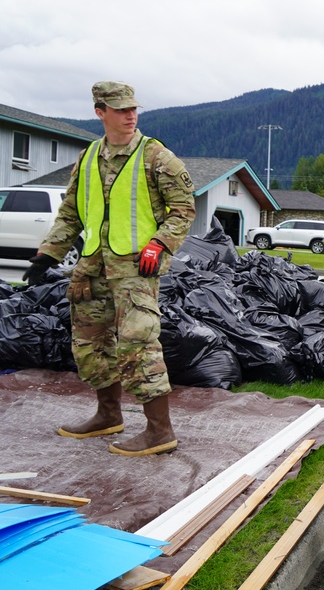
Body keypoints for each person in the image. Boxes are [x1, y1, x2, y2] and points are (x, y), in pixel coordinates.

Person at [23, 81, 195, 457]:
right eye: (120, 110)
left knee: (138, 345)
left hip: (136, 269)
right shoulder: (88, 158)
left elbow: (183, 211)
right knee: (89, 343)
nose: (130, 115)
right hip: (91, 267)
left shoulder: (156, 157)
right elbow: (71, 212)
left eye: (133, 109)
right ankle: (107, 415)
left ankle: (159, 431)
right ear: (100, 112)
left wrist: (160, 243)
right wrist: (48, 255)